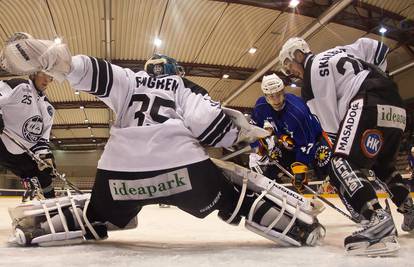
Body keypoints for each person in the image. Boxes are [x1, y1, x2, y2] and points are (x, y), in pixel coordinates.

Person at [3, 35, 325, 247]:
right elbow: (208, 125)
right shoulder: (184, 86)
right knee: (232, 192)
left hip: (119, 177)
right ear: (175, 70)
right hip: (186, 176)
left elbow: (84, 72)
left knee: (97, 212)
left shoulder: (128, 79)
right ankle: (295, 227)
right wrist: (241, 135)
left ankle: (38, 229)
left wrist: (54, 61)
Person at [278, 36, 409, 256]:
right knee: (383, 165)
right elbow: (377, 48)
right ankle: (410, 209)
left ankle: (377, 219)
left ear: (299, 55)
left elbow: (332, 130)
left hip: (366, 101)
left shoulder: (310, 82)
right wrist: (379, 78)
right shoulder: (339, 50)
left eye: (289, 65)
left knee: (339, 162)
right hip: (395, 102)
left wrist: (344, 168)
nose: (291, 73)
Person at [252, 73, 332, 193]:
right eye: (271, 96)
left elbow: (307, 143)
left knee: (327, 168)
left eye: (278, 95)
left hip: (314, 140)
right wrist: (257, 143)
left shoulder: (297, 111)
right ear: (266, 96)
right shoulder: (261, 106)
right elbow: (253, 127)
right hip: (288, 141)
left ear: (283, 91)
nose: (276, 100)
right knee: (271, 168)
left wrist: (300, 169)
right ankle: (265, 197)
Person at [0, 70, 56, 199]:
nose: (47, 80)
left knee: (44, 177)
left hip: (23, 152)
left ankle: (52, 209)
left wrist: (45, 157)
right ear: (34, 73)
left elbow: (42, 140)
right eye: (44, 75)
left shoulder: (49, 108)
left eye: (51, 77)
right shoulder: (20, 86)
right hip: (3, 142)